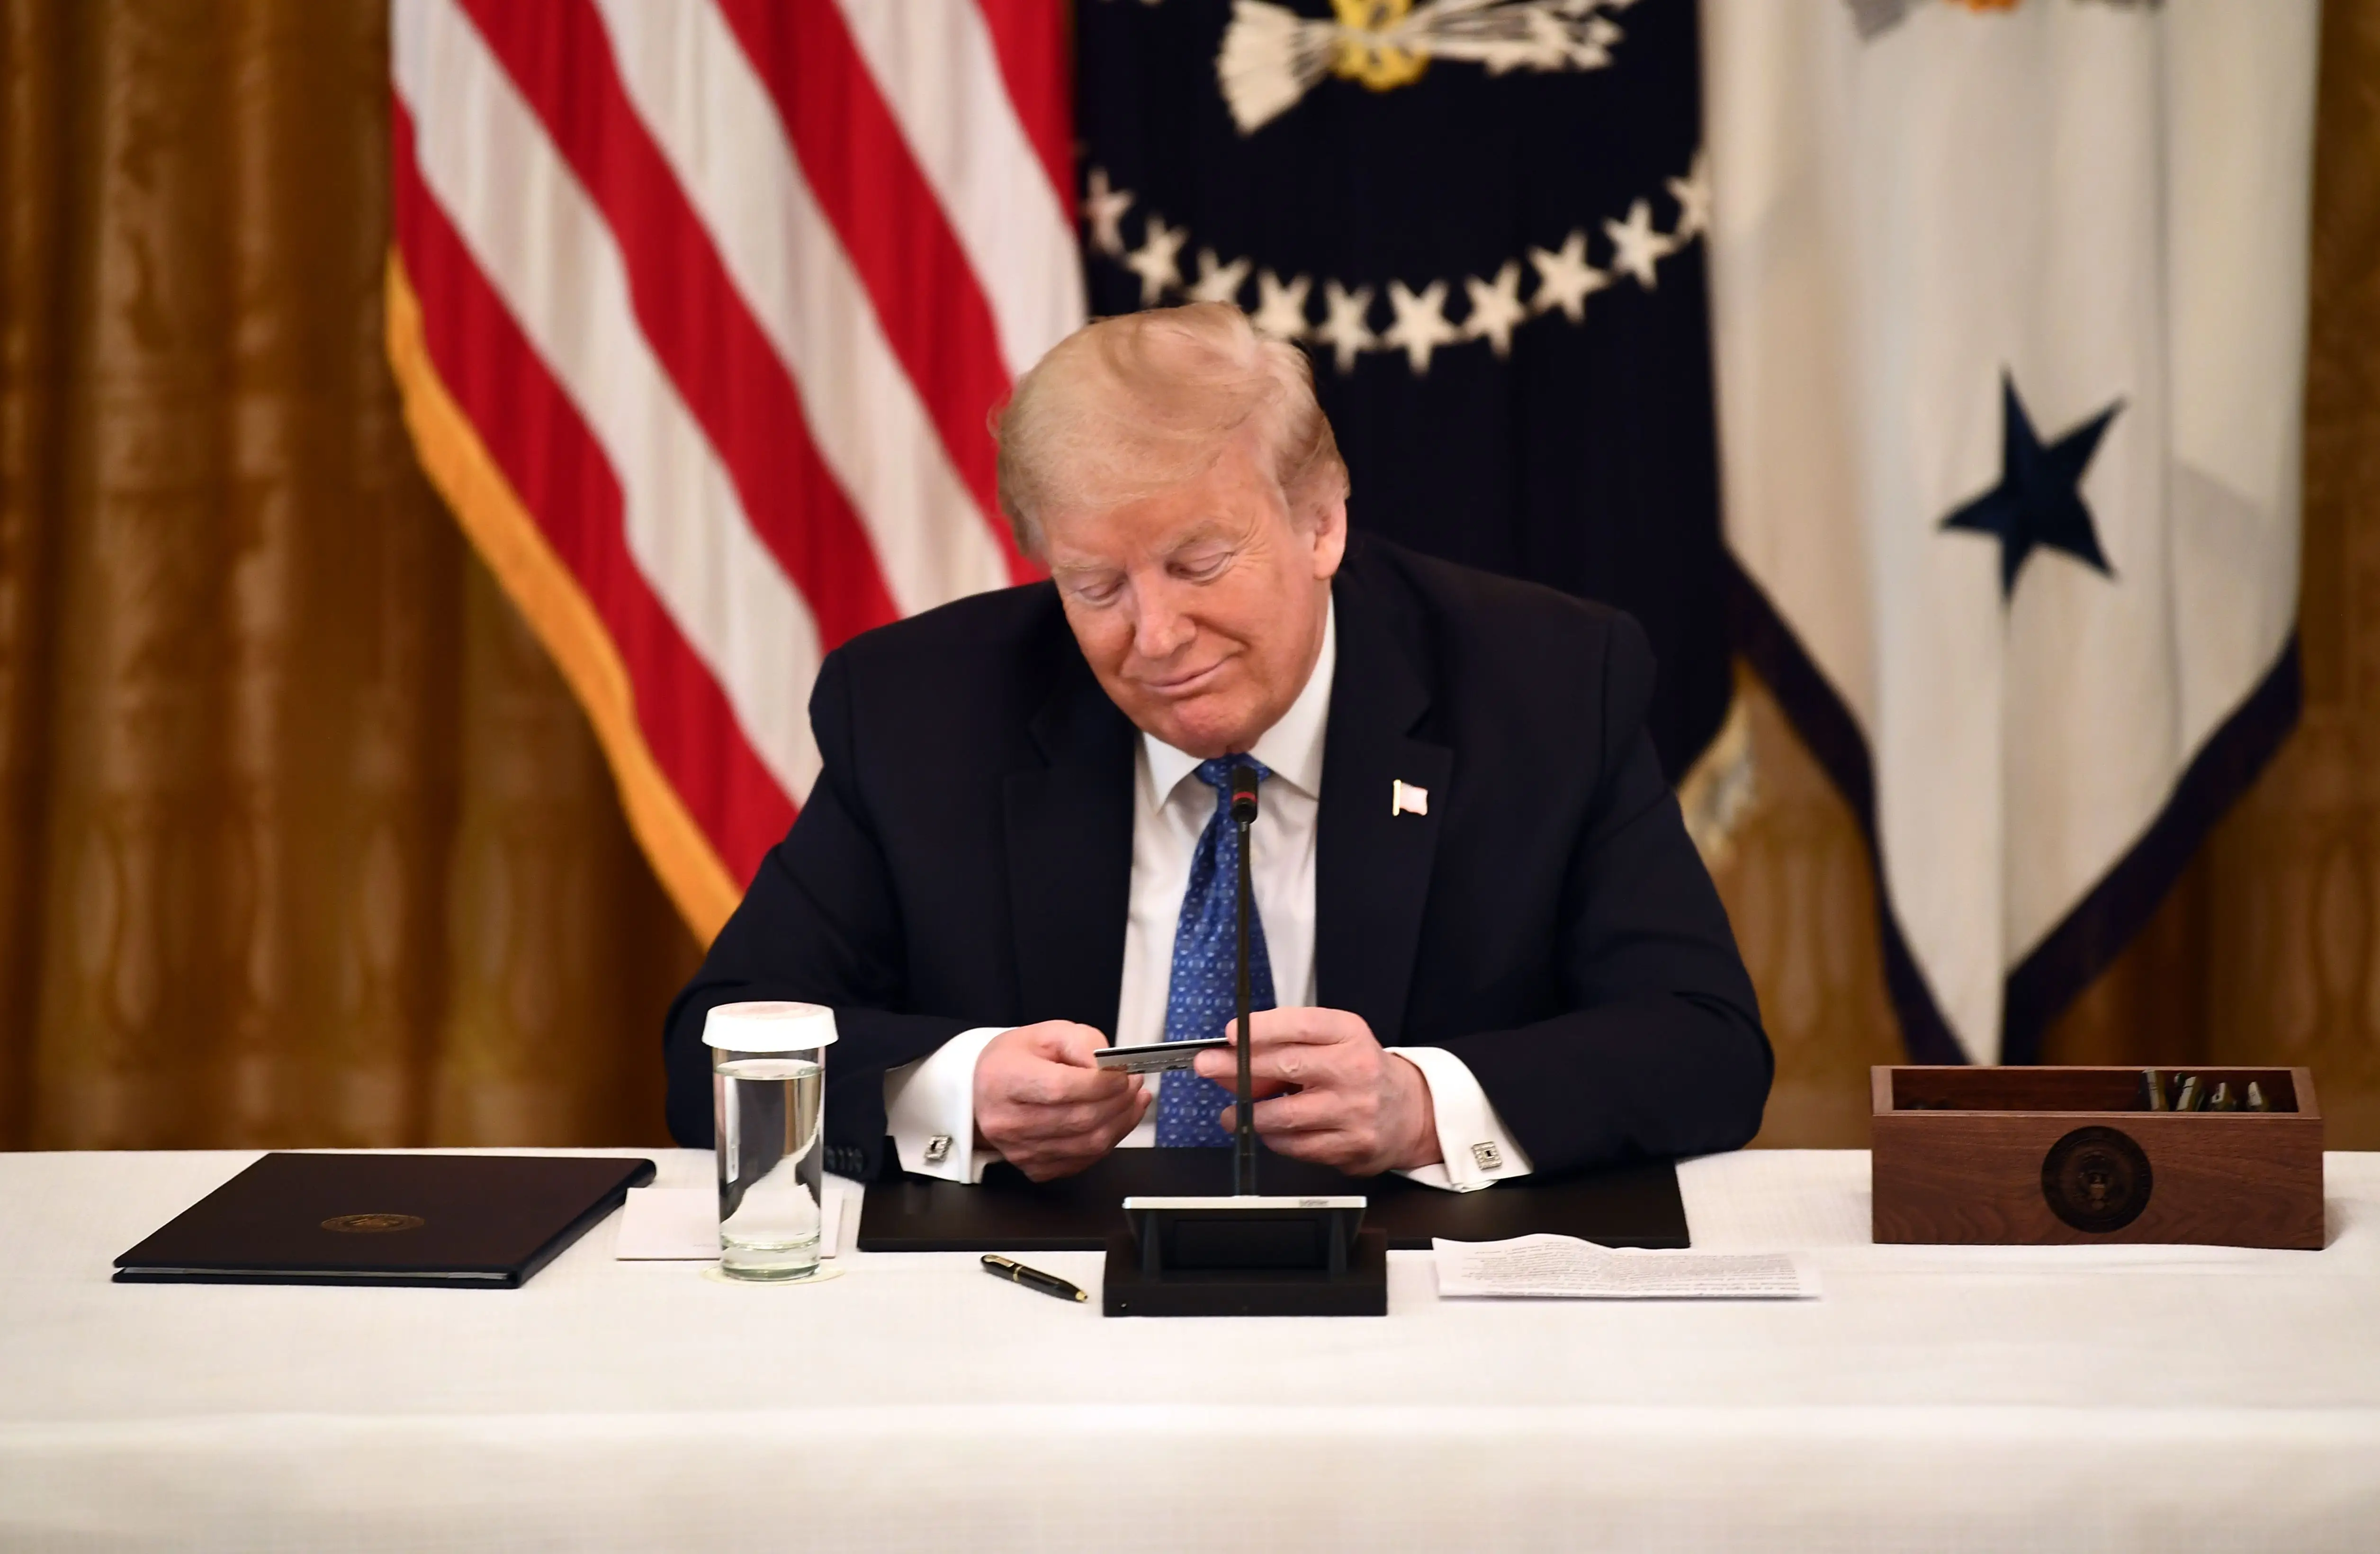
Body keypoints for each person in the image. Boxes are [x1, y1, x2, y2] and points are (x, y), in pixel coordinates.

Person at [663, 303, 1769, 1190]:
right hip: (1033, 1316)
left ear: (1320, 523)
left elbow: (1703, 1044)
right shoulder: (916, 709)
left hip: (1421, 1329)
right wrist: (954, 1089)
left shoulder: (1543, 684)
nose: (1154, 637)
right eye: (1094, 584)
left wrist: (1419, 1103)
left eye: (1198, 565)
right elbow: (713, 1045)